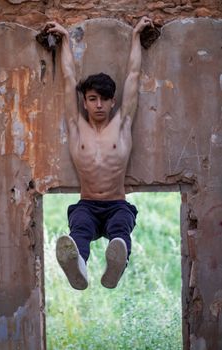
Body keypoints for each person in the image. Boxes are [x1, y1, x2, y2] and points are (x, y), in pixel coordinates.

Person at [47, 16, 154, 290]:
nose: (98, 105)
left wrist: (135, 37)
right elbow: (69, 77)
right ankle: (79, 267)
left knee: (120, 230)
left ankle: (117, 264)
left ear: (112, 101)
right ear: (84, 101)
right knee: (79, 229)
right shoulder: (77, 126)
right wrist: (65, 41)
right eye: (92, 99)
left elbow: (132, 76)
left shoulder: (122, 125)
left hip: (117, 203)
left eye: (104, 99)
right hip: (87, 204)